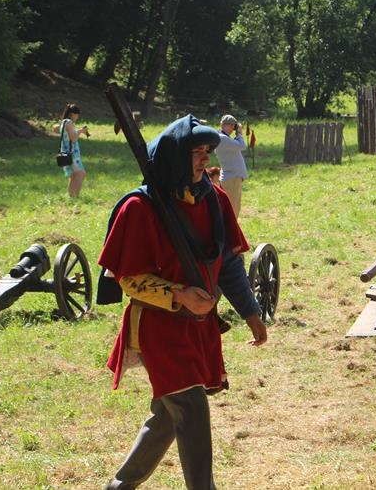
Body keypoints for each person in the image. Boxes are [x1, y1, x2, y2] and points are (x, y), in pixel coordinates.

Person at [97, 115, 267, 489]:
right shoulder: (139, 207)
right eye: (196, 152)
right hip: (158, 326)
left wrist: (251, 312)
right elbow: (129, 279)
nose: (205, 159)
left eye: (207, 151)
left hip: (199, 326)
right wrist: (179, 294)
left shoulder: (215, 199)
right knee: (189, 407)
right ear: (175, 157)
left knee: (167, 416)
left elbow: (227, 262)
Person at [214, 114, 248, 217]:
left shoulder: (222, 137)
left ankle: (228, 226)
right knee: (233, 208)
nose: (234, 128)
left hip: (231, 177)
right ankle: (231, 227)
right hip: (232, 178)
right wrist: (239, 134)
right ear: (228, 125)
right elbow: (242, 146)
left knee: (232, 208)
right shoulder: (223, 138)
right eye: (233, 126)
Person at [59, 103, 89, 198]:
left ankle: (71, 197)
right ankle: (76, 196)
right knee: (81, 173)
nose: (77, 117)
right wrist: (81, 131)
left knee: (73, 176)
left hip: (66, 152)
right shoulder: (69, 122)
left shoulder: (63, 122)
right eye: (77, 115)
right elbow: (73, 138)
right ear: (72, 114)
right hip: (72, 153)